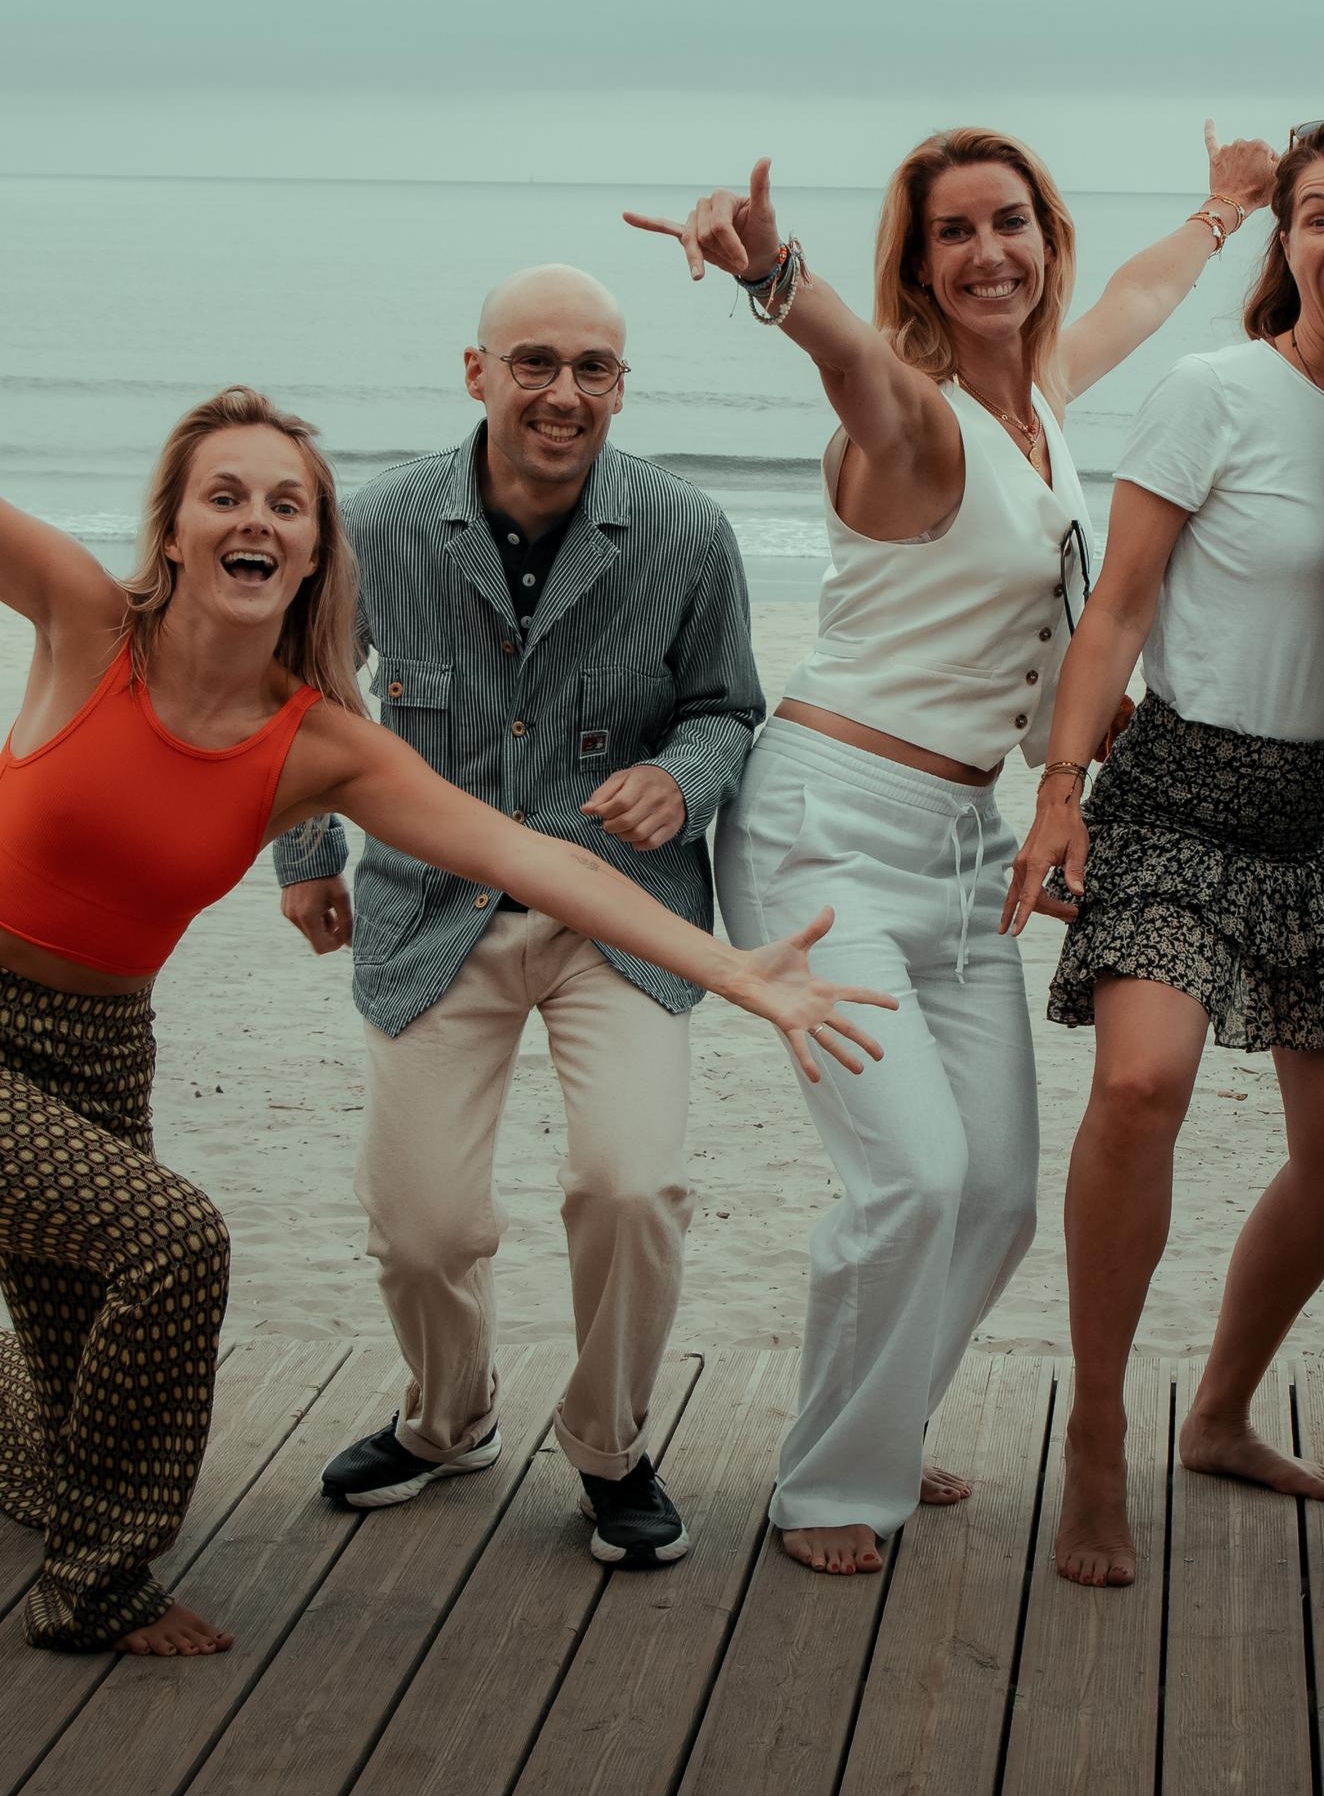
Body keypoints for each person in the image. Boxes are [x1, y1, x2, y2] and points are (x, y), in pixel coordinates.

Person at [0, 389, 885, 1657]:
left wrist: (743, 973)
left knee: (67, 1416)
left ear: (314, 553)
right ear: (178, 529)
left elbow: (547, 862)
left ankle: (55, 1496)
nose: (257, 518)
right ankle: (93, 1592)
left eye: (287, 504)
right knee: (171, 1246)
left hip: (99, 1053)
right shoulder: (87, 629)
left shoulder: (317, 746)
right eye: (227, 495)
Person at [632, 128, 1273, 1576]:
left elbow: (1139, 300)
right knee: (911, 1172)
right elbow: (851, 365)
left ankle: (875, 1416)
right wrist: (774, 279)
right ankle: (829, 1486)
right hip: (823, 828)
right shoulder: (913, 417)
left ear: (1047, 234)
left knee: (990, 1192)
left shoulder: (1042, 400)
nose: (989, 252)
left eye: (1013, 224)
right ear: (915, 263)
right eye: (953, 233)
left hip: (966, 839)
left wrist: (1227, 207)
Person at [1000, 122, 1324, 1589]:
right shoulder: (1217, 391)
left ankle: (1224, 1409)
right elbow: (1117, 609)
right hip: (1181, 794)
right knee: (1140, 1085)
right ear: (1290, 250)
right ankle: (1098, 1436)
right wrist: (1064, 783)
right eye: (1315, 213)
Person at [276, 267, 769, 1572]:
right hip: (429, 910)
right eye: (536, 361)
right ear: (477, 370)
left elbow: (728, 704)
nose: (565, 391)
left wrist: (685, 776)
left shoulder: (685, 529)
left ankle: (609, 1443)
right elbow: (302, 689)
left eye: (594, 365)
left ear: (621, 380)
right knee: (424, 1226)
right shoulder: (374, 522)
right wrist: (306, 852)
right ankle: (447, 1419)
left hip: (622, 910)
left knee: (633, 1183)